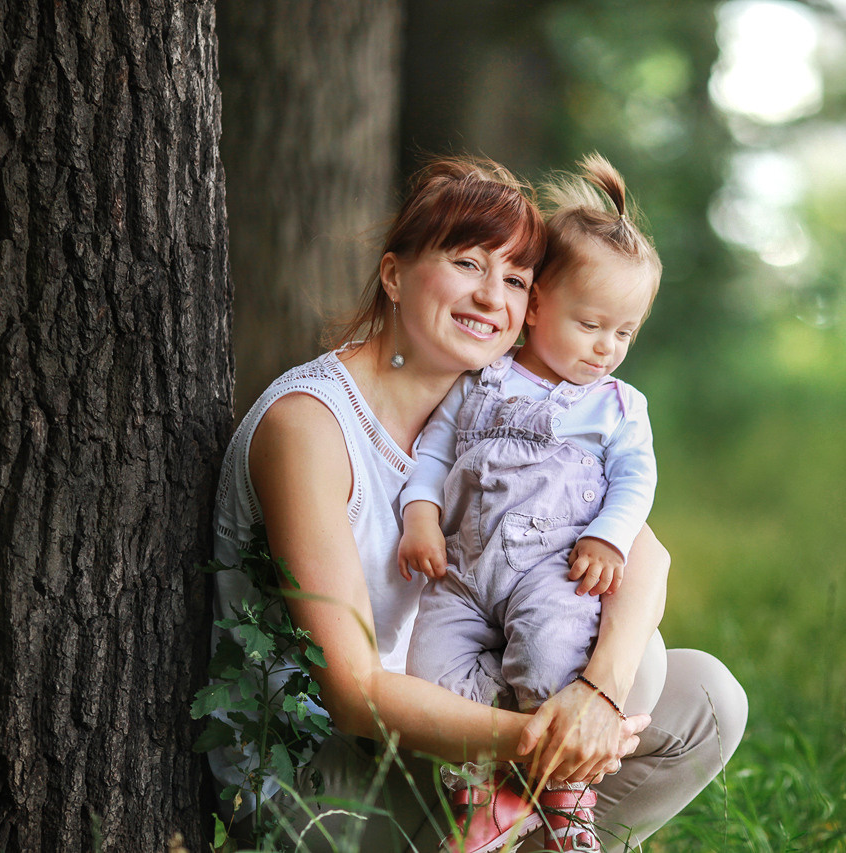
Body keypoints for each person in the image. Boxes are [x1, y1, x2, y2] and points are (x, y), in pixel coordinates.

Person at [207, 155, 747, 852]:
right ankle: (521, 807)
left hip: (449, 732)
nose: (494, 296)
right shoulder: (308, 426)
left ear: (535, 306)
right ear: (395, 273)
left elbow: (646, 556)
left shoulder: (493, 406)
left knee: (702, 695)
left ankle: (539, 826)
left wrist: (598, 698)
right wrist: (539, 738)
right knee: (607, 680)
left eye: (516, 278)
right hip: (322, 774)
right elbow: (352, 689)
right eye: (468, 263)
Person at [395, 155, 662, 851]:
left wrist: (608, 536)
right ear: (536, 304)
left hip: (552, 567)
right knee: (432, 666)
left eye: (624, 333)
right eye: (591, 325)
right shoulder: (480, 377)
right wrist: (421, 512)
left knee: (550, 653)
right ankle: (479, 793)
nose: (607, 348)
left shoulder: (615, 407)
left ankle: (562, 793)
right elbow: (435, 451)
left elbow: (637, 478)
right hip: (463, 569)